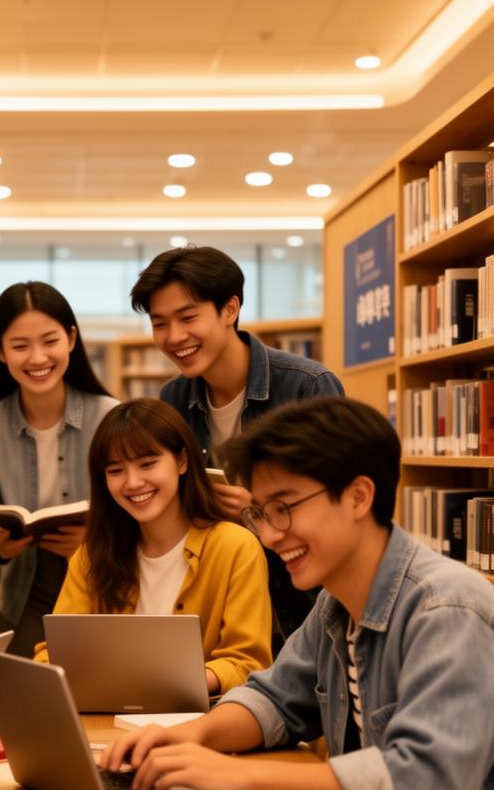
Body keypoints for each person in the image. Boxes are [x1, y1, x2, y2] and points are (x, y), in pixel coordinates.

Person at [103, 396, 494, 790]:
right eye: (260, 514)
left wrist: (237, 777)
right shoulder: (337, 602)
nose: (268, 535)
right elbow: (275, 698)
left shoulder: (447, 611)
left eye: (284, 510)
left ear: (358, 497)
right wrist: (192, 738)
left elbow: (425, 788)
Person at [130, 244, 345, 645]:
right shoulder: (172, 400)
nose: (174, 337)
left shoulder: (306, 386)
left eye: (188, 317)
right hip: (216, 615)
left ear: (230, 309)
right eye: (160, 324)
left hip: (304, 614)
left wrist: (261, 510)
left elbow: (341, 507)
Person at [35, 398, 271, 697]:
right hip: (106, 721)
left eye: (147, 464)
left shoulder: (236, 547)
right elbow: (52, 654)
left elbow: (247, 663)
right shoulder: (92, 554)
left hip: (202, 723)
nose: (133, 483)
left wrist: (167, 682)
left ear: (182, 461)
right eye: (116, 470)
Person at [0, 280, 117, 656]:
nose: (38, 358)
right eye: (20, 346)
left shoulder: (110, 417)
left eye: (50, 341)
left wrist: (95, 545)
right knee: (23, 702)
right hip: (22, 590)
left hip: (100, 585)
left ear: (72, 338)